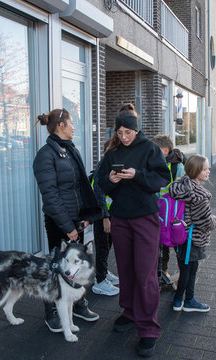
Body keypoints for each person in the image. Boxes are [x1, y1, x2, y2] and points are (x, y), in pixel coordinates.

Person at [98, 104, 170, 358]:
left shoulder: (149, 148)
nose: (123, 137)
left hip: (145, 219)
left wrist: (137, 175)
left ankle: (148, 329)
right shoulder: (111, 152)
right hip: (121, 218)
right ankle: (129, 312)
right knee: (126, 269)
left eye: (128, 132)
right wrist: (112, 180)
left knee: (146, 273)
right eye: (119, 132)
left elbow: (163, 179)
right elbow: (101, 183)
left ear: (136, 130)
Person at [33, 108, 103, 332]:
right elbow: (51, 197)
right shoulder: (46, 155)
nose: (74, 127)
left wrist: (85, 218)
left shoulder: (70, 150)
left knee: (76, 266)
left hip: (75, 221)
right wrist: (67, 228)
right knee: (56, 266)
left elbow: (79, 188)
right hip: (58, 222)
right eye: (71, 123)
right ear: (61, 125)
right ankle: (51, 312)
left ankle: (78, 304)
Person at [168, 154, 216, 313]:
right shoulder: (200, 195)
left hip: (180, 236)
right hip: (193, 239)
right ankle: (185, 300)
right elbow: (205, 222)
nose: (208, 171)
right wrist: (215, 220)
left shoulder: (180, 185)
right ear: (196, 170)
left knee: (185, 269)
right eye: (205, 169)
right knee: (189, 271)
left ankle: (182, 300)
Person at [150, 135, 186, 287]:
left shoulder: (177, 167)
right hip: (155, 211)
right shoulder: (155, 163)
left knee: (170, 243)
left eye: (155, 150)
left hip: (172, 214)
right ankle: (160, 272)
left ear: (164, 151)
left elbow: (182, 188)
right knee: (157, 243)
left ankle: (172, 274)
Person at [90, 159, 120, 296]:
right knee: (102, 247)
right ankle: (100, 282)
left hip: (110, 214)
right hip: (102, 216)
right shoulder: (103, 168)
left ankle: (104, 272)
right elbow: (99, 194)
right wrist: (105, 217)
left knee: (107, 246)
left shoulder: (113, 167)